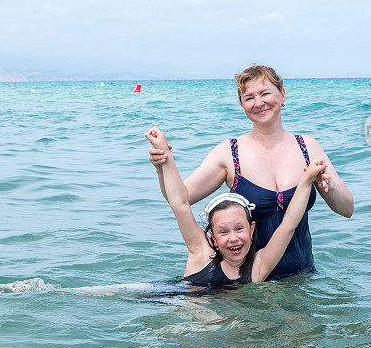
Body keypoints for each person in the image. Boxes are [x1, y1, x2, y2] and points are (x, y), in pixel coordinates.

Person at [0, 126, 325, 301]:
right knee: (77, 293)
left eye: (239, 230)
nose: (234, 238)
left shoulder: (258, 268)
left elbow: (291, 222)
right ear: (210, 236)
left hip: (197, 308)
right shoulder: (200, 253)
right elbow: (180, 203)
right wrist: (166, 159)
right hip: (167, 296)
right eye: (223, 232)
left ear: (251, 227)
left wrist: (306, 180)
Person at [149, 65, 353, 280]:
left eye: (265, 93)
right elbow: (179, 198)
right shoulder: (230, 153)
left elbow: (347, 209)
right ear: (242, 105)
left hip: (301, 277)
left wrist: (326, 187)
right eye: (249, 98)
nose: (258, 103)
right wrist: (162, 166)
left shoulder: (307, 147)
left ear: (282, 96)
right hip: (248, 282)